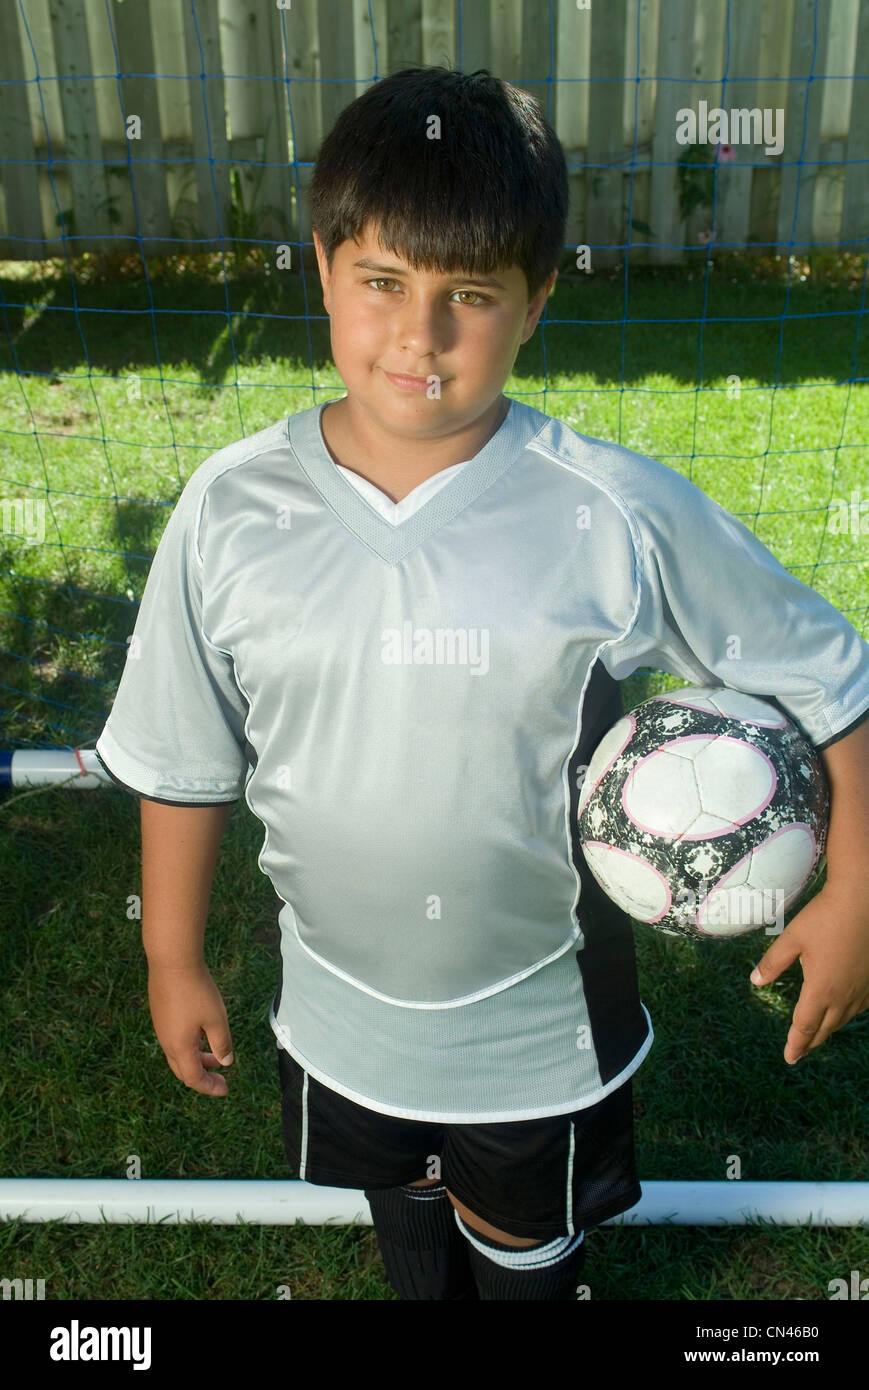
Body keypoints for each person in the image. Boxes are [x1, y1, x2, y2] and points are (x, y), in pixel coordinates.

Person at [94, 65, 869, 1301]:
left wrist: (858, 885)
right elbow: (186, 756)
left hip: (533, 1031)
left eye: (468, 295)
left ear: (536, 299)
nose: (420, 336)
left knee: (518, 1246)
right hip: (333, 1008)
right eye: (383, 284)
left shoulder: (608, 511)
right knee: (398, 1202)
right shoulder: (229, 508)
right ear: (322, 263)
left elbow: (830, 672)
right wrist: (171, 955)